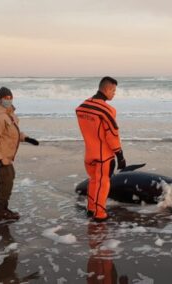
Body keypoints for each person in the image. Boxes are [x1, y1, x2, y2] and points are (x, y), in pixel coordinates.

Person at [0, 87, 39, 220]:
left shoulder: (9, 113)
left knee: (7, 177)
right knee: (7, 179)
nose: (8, 100)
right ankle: (2, 210)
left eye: (10, 97)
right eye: (5, 98)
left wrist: (26, 138)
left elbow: (11, 133)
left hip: (4, 153)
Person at [76, 76, 126, 222]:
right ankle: (100, 214)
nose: (114, 94)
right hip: (103, 155)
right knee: (103, 183)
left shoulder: (82, 107)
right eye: (114, 90)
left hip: (89, 153)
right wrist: (120, 155)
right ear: (107, 89)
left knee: (93, 181)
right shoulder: (107, 110)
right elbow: (112, 135)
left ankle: (91, 209)